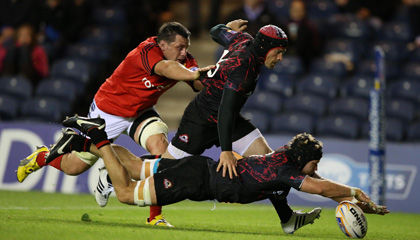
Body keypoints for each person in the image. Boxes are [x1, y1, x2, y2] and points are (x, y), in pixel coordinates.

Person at [16, 21, 213, 227]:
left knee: (161, 149)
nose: (184, 52)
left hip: (140, 112)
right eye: (179, 47)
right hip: (108, 111)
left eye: (186, 48)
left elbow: (197, 84)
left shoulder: (185, 60)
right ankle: (43, 156)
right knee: (73, 167)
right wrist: (195, 73)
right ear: (163, 44)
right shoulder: (147, 51)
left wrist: (212, 74)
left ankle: (155, 216)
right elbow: (166, 68)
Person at [56, 115, 390, 234]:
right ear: (302, 160)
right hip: (196, 180)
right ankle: (99, 140)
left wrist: (292, 219)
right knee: (127, 192)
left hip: (199, 167)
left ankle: (91, 138)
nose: (314, 169)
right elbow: (322, 188)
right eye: (313, 163)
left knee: (136, 166)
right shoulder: (286, 172)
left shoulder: (278, 164)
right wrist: (358, 196)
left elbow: (297, 189)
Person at [160, 19, 323, 233]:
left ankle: (288, 219)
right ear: (265, 49)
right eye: (278, 52)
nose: (281, 58)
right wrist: (226, 151)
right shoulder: (243, 70)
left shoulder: (242, 39)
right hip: (201, 120)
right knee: (165, 168)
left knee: (272, 162)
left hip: (230, 120)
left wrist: (228, 27)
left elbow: (215, 30)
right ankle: (113, 176)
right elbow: (224, 111)